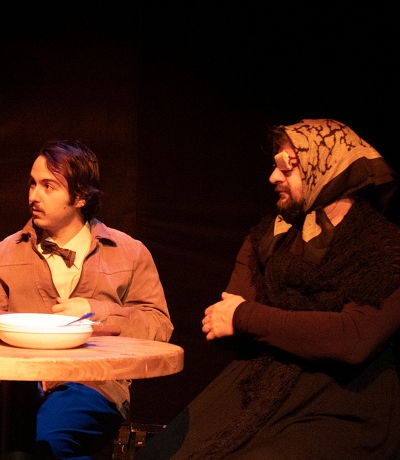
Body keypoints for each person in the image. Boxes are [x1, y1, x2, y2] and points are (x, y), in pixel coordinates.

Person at [138, 118, 400, 459]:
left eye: (288, 166)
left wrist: (246, 317)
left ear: (328, 169)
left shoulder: (384, 247)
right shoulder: (268, 238)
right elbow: (223, 323)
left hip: (342, 399)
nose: (273, 177)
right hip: (260, 384)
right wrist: (244, 321)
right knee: (160, 454)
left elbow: (352, 338)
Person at [0, 139, 174, 459]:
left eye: (48, 186)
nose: (34, 195)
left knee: (47, 442)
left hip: (94, 382)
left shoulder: (129, 253)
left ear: (81, 196)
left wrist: (95, 312)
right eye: (32, 184)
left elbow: (159, 325)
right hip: (17, 380)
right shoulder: (4, 253)